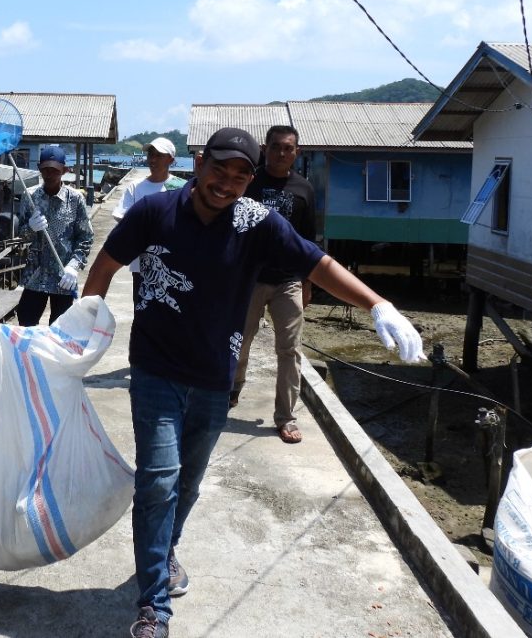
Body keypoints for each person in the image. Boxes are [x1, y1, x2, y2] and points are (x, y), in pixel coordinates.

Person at [81, 127, 424, 638]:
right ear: (198, 164)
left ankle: (165, 551)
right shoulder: (155, 213)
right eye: (220, 170)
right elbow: (105, 267)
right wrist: (80, 328)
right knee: (158, 478)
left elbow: (316, 262)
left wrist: (378, 304)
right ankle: (153, 604)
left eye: (241, 175)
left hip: (216, 376)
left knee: (188, 483)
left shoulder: (254, 221)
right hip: (155, 370)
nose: (227, 183)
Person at [230, 125, 316, 445]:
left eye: (288, 148)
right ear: (265, 149)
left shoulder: (304, 189)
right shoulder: (251, 182)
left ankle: (286, 416)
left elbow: (310, 240)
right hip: (250, 279)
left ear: (297, 151)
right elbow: (232, 229)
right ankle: (232, 389)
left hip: (288, 282)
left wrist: (308, 283)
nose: (282, 153)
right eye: (276, 147)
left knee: (290, 350)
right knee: (239, 341)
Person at [15, 144, 94, 326]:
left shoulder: (75, 199)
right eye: (45, 170)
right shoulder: (30, 197)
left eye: (55, 171)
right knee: (26, 321)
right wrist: (30, 228)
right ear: (39, 169)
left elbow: (85, 237)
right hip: (35, 275)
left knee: (61, 328)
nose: (49, 175)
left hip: (63, 275)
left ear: (64, 170)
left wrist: (74, 266)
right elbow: (22, 236)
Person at [113, 137, 184, 304]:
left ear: (171, 160)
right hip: (141, 263)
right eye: (151, 154)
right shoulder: (135, 186)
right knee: (142, 308)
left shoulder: (180, 187)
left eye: (159, 155)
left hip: (172, 264)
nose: (152, 159)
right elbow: (120, 215)